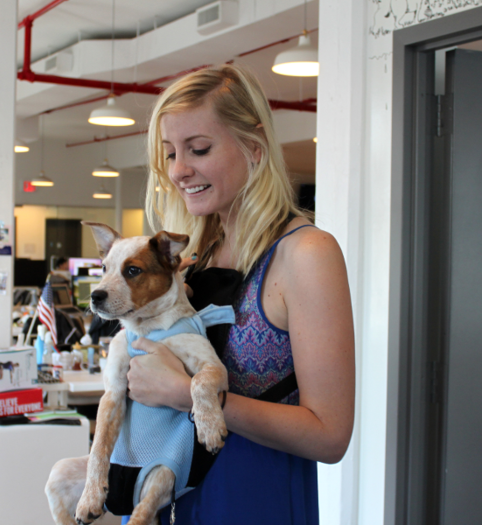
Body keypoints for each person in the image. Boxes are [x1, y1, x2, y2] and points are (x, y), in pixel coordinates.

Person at [123, 64, 355, 524]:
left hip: (253, 501)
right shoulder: (196, 253)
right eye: (170, 154)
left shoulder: (306, 253)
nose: (179, 170)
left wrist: (193, 396)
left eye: (199, 149)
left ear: (253, 147)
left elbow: (330, 436)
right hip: (174, 498)